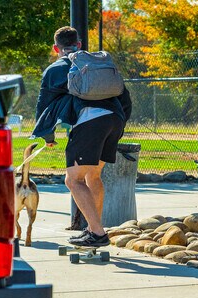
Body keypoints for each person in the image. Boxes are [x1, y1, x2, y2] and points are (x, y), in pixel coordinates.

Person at [32, 26, 131, 247]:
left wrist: (47, 135)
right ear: (79, 44)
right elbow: (125, 96)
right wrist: (118, 124)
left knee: (73, 180)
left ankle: (97, 233)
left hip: (90, 122)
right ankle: (91, 229)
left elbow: (43, 105)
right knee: (92, 177)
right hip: (114, 118)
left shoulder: (56, 68)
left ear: (56, 48)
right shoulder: (98, 64)